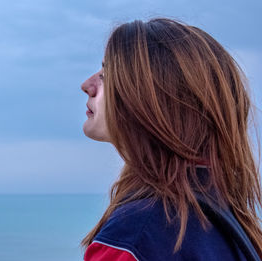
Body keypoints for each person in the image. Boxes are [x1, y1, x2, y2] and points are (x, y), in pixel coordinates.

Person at [80, 17, 262, 260]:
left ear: (152, 98)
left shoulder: (135, 238)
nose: (87, 85)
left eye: (107, 74)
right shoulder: (235, 229)